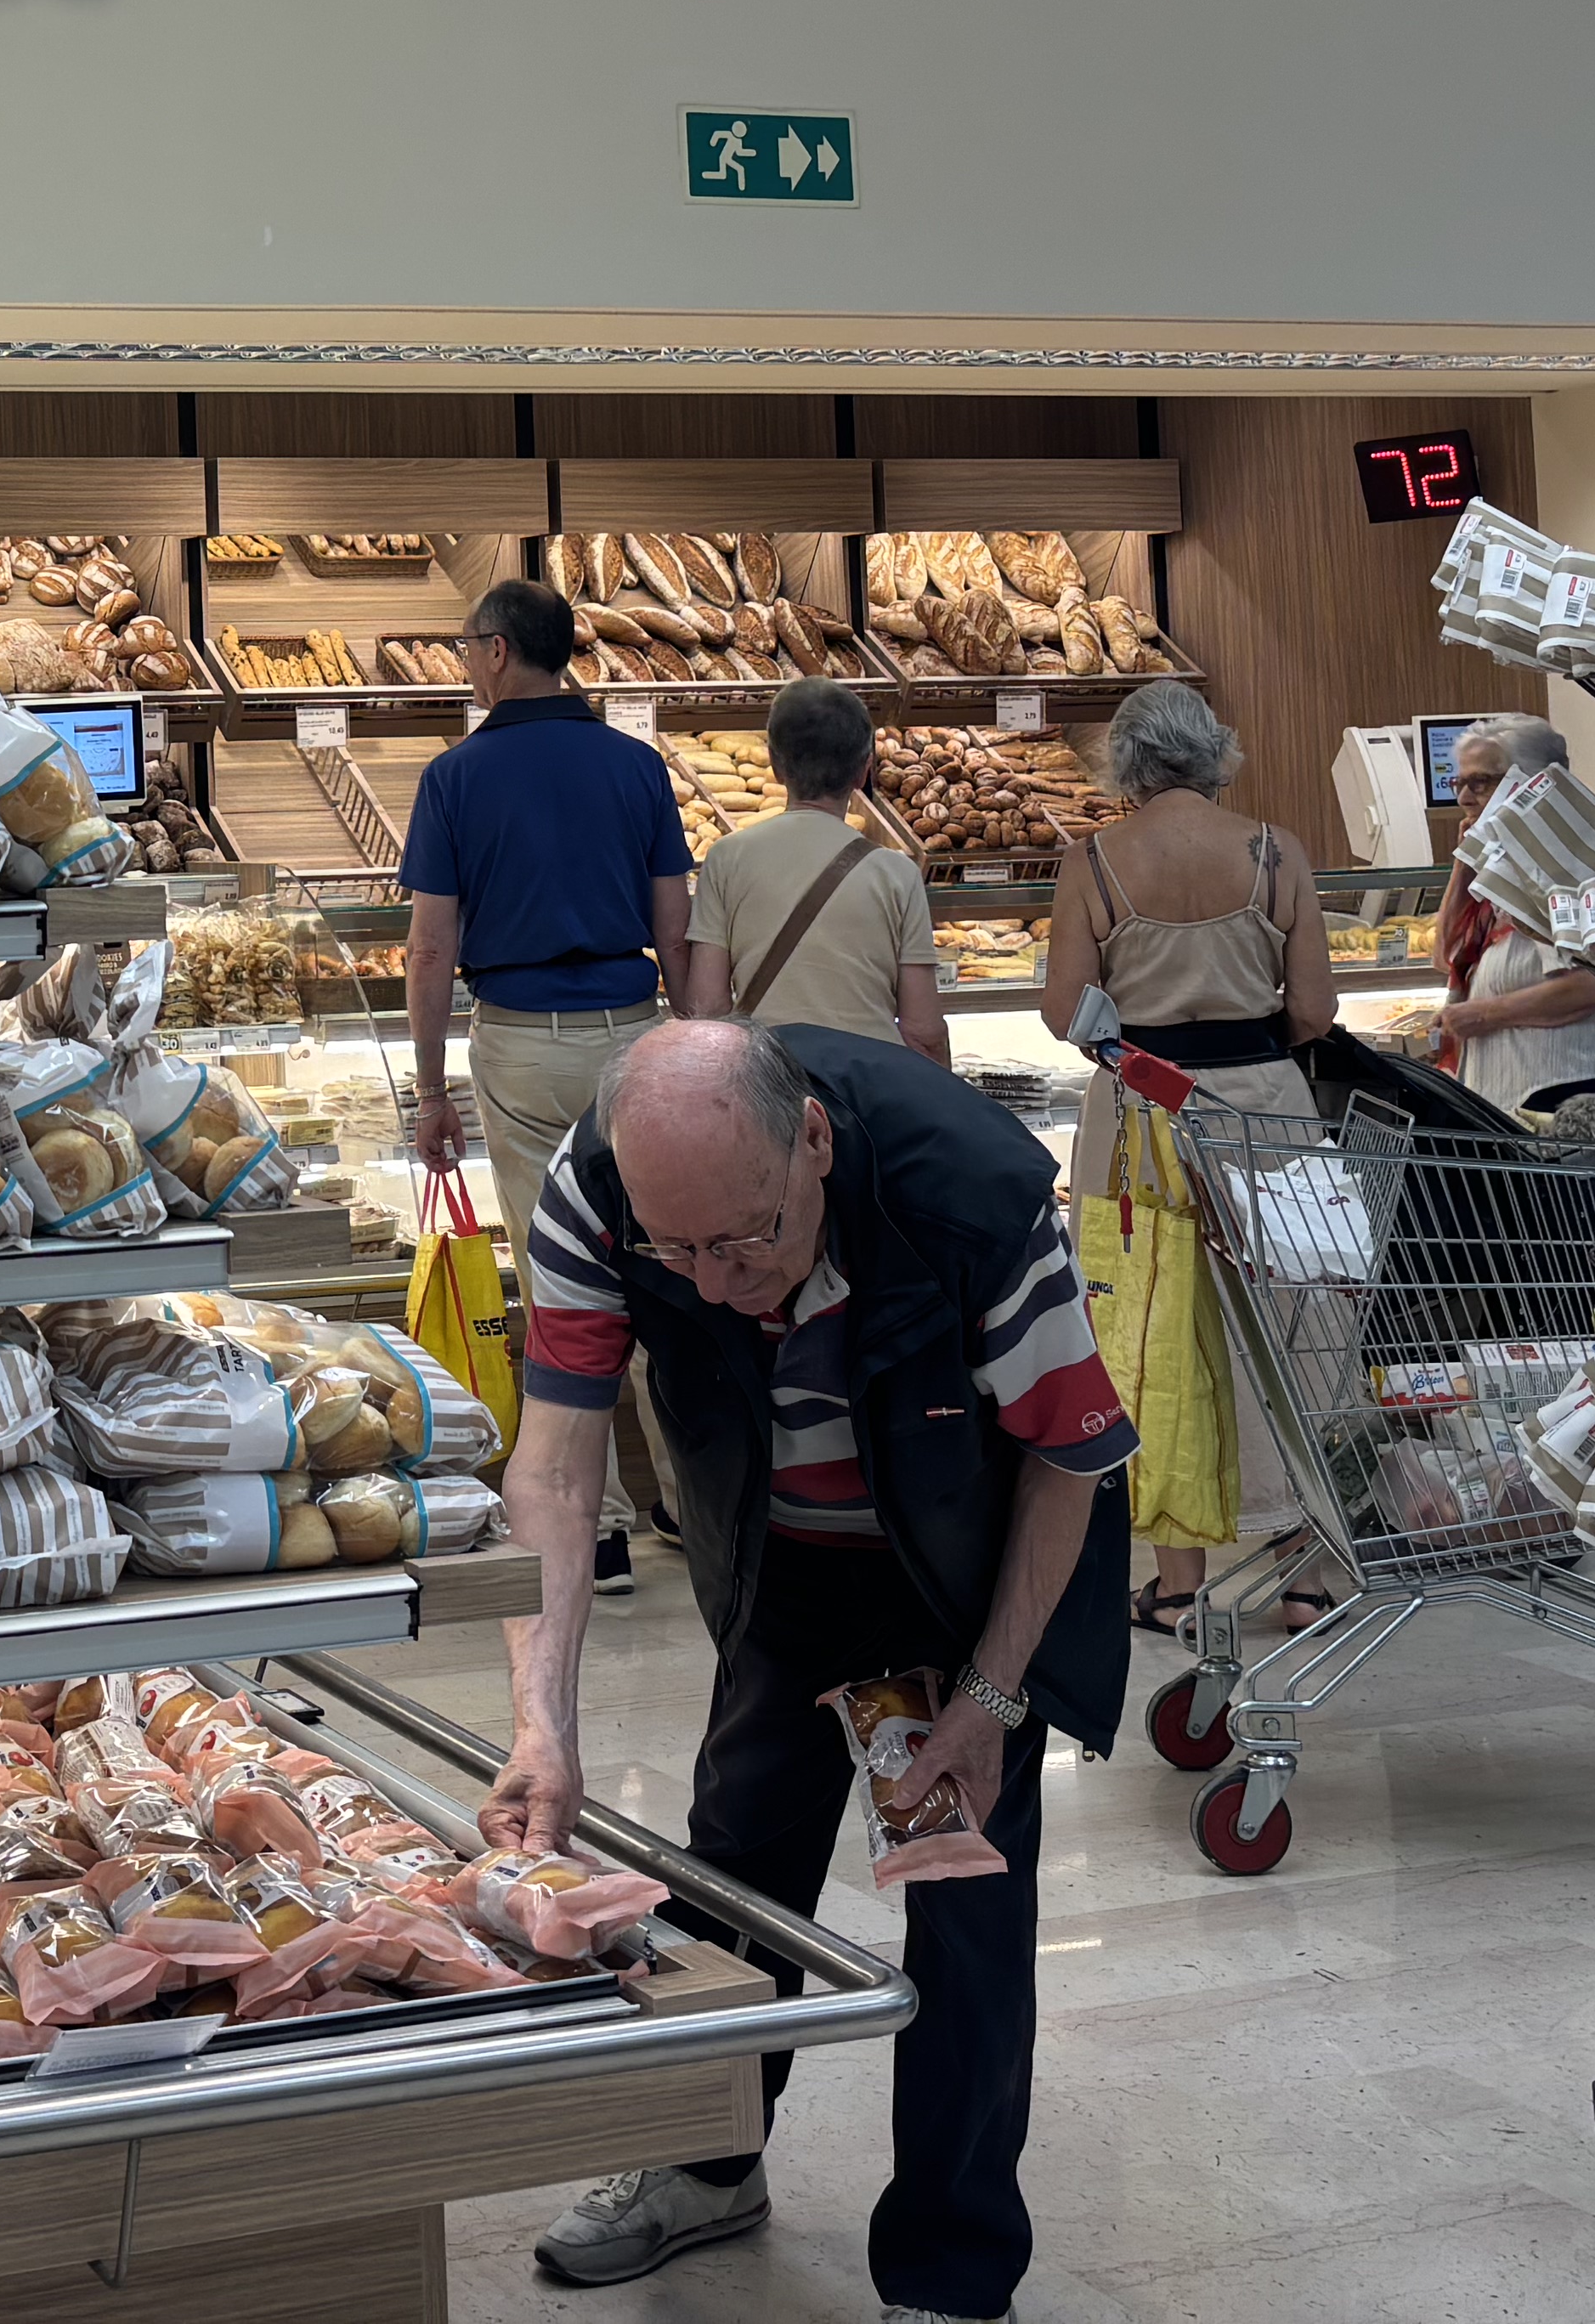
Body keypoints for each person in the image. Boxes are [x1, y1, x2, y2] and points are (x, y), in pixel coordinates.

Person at [495, 1018, 1132, 2314]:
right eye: (678, 1253)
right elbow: (557, 1464)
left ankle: (952, 2267)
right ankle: (706, 2163)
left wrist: (994, 1695)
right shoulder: (593, 1190)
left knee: (965, 1906)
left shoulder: (979, 1197)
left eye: (745, 1240)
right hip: (779, 1556)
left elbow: (1071, 1455)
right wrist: (541, 1723)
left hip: (963, 1568)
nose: (717, 1285)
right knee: (731, 1862)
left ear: (817, 1146)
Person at [405, 576, 693, 1594]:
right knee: (667, 1266)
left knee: (562, 1282)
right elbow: (676, 926)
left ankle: (600, 1532)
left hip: (520, 1043)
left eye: (463, 647)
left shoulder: (455, 779)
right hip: (636, 1042)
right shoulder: (636, 766)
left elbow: (432, 950)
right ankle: (697, 1510)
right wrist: (692, 1048)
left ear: (493, 652)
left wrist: (431, 1089)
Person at [1038, 679, 1337, 1638]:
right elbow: (1315, 1012)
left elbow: (1063, 1016)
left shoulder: (1092, 862)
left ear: (1125, 763)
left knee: (1155, 1332)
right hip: (1267, 1114)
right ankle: (1305, 1573)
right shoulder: (1273, 851)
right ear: (1216, 753)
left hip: (1137, 1116)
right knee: (1298, 1328)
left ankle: (1177, 1584)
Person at [681, 678, 947, 1060]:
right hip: (871, 1085)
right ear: (864, 771)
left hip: (771, 1081)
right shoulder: (898, 873)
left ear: (775, 765)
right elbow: (923, 1031)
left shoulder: (726, 858)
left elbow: (708, 1011)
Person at [1433, 715, 1595, 1126]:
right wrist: (1465, 861)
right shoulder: (1498, 861)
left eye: (1480, 783)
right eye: (1459, 784)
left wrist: (1483, 1014)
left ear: (1530, 782)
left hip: (1563, 1100)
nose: (1465, 799)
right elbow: (1445, 953)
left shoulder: (1562, 863)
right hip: (1506, 1101)